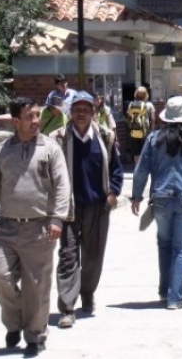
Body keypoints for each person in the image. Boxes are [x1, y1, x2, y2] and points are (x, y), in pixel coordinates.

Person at [0, 97, 71, 357]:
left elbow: (63, 186)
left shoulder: (50, 149)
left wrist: (57, 219)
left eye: (37, 115)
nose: (35, 121)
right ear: (16, 121)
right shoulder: (1, 151)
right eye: (29, 116)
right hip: (7, 227)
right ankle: (15, 321)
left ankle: (35, 334)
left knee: (37, 285)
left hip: (40, 228)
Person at [131, 96, 182, 310]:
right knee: (181, 248)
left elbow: (141, 170)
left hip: (161, 198)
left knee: (164, 244)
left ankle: (164, 289)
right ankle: (175, 297)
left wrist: (137, 196)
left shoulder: (153, 139)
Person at [48, 92, 123, 328]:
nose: (81, 113)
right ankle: (67, 308)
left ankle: (87, 294)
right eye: (76, 108)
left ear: (93, 112)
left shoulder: (105, 136)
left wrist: (112, 194)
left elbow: (116, 170)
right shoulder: (57, 138)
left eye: (86, 109)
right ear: (70, 111)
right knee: (68, 256)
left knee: (93, 257)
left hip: (97, 207)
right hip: (67, 208)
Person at [127, 86, 156, 165]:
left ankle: (137, 167)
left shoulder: (131, 104)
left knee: (136, 152)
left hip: (134, 131)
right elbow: (153, 119)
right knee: (145, 150)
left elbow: (129, 118)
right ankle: (144, 168)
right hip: (145, 132)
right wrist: (152, 132)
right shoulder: (149, 105)